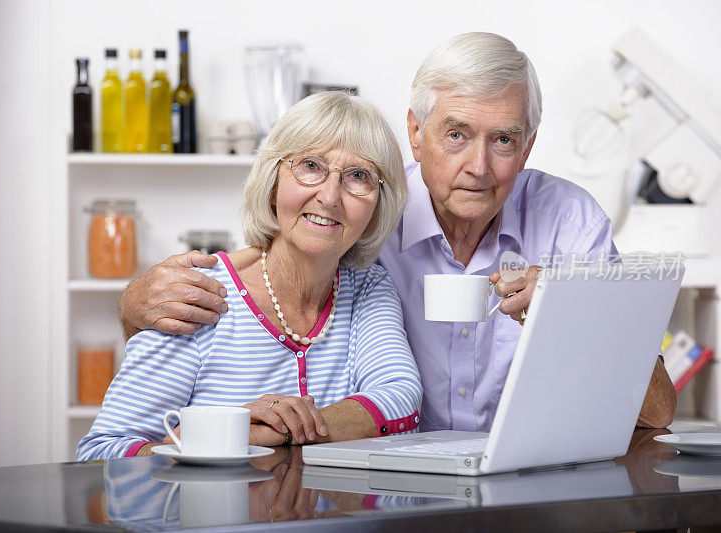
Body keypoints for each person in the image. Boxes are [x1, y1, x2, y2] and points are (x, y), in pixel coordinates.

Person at [117, 33, 676, 433]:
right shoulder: (364, 207)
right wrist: (134, 305)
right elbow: (273, 259)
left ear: (527, 146)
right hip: (399, 490)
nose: (478, 166)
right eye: (455, 134)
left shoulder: (571, 222)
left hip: (537, 481)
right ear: (415, 131)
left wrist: (575, 314)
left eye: (503, 140)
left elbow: (657, 413)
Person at [77, 92, 421, 460]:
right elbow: (101, 454)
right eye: (310, 166)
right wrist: (229, 430)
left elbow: (400, 398)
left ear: (378, 204)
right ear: (273, 183)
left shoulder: (369, 288)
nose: (330, 196)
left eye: (359, 176)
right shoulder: (198, 294)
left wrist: (279, 430)